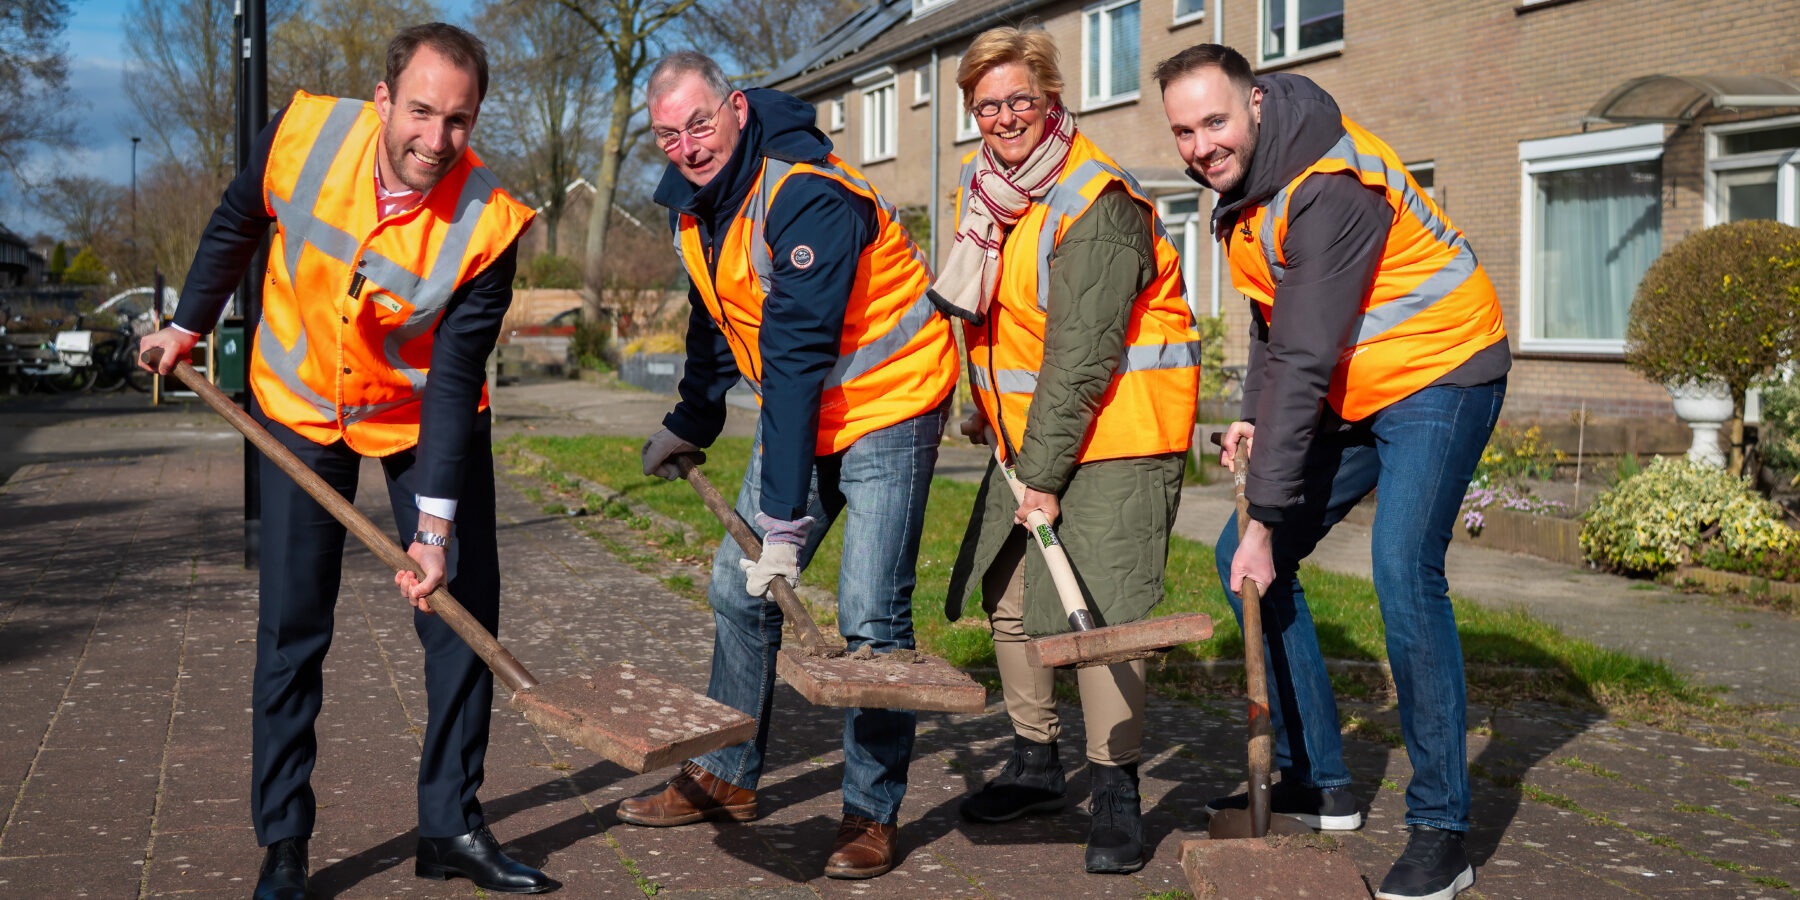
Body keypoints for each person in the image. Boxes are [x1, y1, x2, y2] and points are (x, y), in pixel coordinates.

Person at [138, 23, 553, 899]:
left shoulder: (489, 225)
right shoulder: (301, 134)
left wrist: (433, 529)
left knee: (459, 615)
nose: (436, 141)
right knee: (293, 628)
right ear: (382, 101)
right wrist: (188, 323)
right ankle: (284, 841)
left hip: (417, 421)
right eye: (421, 112)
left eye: (460, 122)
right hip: (297, 409)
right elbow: (236, 220)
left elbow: (452, 381)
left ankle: (451, 825)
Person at [1154, 44, 1510, 900]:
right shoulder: (1247, 191)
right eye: (1184, 132)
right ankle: (1318, 779)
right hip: (1359, 380)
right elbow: (1276, 322)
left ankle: (1442, 829)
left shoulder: (1328, 185)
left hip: (1442, 370)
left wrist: (1268, 522)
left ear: (1258, 107)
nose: (1202, 146)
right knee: (1234, 561)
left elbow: (1308, 354)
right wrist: (1250, 409)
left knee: (1402, 569)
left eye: (1215, 121)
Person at [621, 50, 958, 880]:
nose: (690, 146)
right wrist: (690, 419)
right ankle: (727, 775)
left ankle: (869, 811)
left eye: (701, 123)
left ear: (735, 108)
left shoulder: (808, 190)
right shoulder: (691, 204)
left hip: (888, 400)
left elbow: (799, 353)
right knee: (735, 592)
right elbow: (714, 318)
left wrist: (779, 521)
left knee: (869, 614)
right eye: (670, 135)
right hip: (803, 406)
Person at [936, 26, 1201, 876]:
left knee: (1103, 618)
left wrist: (1042, 479)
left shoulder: (1096, 200)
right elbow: (1005, 324)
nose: (1004, 117)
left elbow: (1082, 357)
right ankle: (1036, 761)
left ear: (1051, 98)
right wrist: (984, 410)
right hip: (1033, 437)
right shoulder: (991, 197)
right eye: (987, 105)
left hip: (1116, 438)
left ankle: (1116, 791)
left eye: (1019, 99)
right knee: (1012, 599)